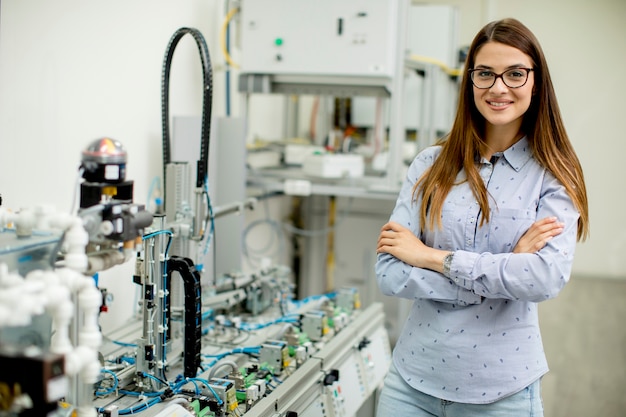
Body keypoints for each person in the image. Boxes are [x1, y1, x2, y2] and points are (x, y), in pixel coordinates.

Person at [375, 18, 589, 417]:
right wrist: (505, 271)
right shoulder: (430, 164)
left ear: (537, 82)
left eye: (515, 74)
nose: (498, 87)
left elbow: (544, 277)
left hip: (501, 393)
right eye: (485, 73)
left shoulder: (555, 177)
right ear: (470, 80)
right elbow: (388, 271)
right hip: (409, 383)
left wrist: (430, 257)